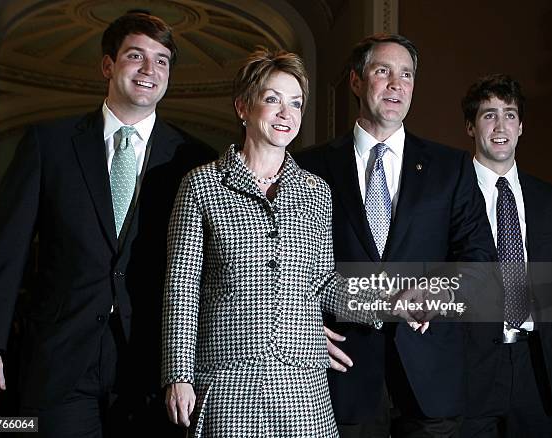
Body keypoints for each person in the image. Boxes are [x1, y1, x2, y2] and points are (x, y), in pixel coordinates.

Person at [0, 11, 216, 437]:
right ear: (108, 65)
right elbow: (5, 250)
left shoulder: (193, 159)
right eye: (136, 56)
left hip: (152, 361)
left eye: (162, 60)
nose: (149, 70)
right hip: (59, 358)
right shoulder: (47, 143)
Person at [161, 47, 387, 437]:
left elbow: (323, 282)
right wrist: (179, 373)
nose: (287, 114)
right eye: (272, 100)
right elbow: (182, 288)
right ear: (243, 107)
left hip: (303, 388)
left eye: (296, 104)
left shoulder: (316, 191)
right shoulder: (202, 185)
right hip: (229, 382)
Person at [297, 34, 496, 437]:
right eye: (383, 71)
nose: (396, 84)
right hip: (339, 375)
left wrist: (437, 292)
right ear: (356, 81)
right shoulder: (307, 167)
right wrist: (301, 329)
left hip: (431, 378)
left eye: (406, 75)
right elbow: (285, 267)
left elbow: (480, 259)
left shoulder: (451, 167)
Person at [460, 74, 552, 437]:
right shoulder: (449, 196)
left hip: (536, 369)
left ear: (521, 126)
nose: (501, 126)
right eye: (489, 115)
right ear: (471, 126)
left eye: (510, 114)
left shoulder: (550, 200)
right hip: (471, 370)